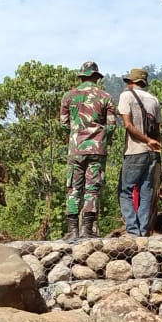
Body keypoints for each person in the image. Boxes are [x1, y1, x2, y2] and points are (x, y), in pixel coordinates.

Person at [59, 61, 114, 240]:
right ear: (96, 78)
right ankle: (87, 230)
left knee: (73, 188)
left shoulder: (68, 96)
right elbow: (112, 125)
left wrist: (77, 132)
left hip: (76, 149)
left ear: (81, 76)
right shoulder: (105, 97)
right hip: (97, 149)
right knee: (92, 189)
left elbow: (63, 122)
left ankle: (73, 231)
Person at [116, 68, 162, 236]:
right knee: (146, 191)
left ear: (131, 82)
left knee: (124, 191)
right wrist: (153, 145)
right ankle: (143, 231)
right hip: (152, 153)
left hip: (135, 151)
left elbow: (127, 125)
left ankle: (133, 231)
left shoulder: (126, 96)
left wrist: (144, 140)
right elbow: (157, 129)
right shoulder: (153, 100)